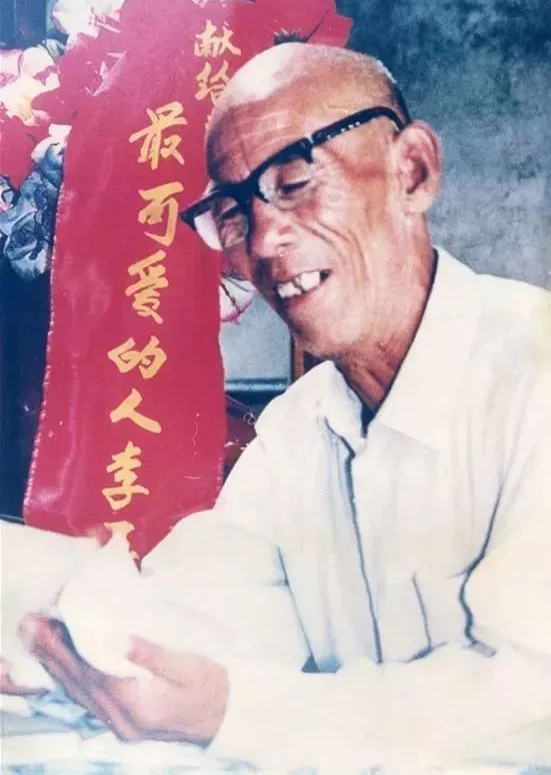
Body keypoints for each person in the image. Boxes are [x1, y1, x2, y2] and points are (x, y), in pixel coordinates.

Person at [7, 43, 551, 769]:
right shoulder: (298, 428)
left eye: (294, 183)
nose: (262, 241)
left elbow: (528, 706)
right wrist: (56, 629)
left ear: (413, 171)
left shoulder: (532, 375)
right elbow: (206, 620)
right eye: (232, 213)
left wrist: (235, 712)